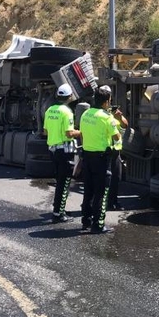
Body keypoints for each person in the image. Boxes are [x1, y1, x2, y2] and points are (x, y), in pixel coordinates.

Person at [78, 88, 121, 234]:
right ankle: (99, 224)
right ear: (106, 101)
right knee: (101, 192)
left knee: (88, 190)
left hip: (87, 155)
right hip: (102, 158)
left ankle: (86, 220)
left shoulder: (85, 114)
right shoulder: (106, 117)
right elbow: (117, 137)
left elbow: (82, 134)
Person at [43, 84, 81, 223]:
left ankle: (58, 208)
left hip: (53, 150)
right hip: (65, 151)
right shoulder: (67, 112)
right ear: (70, 96)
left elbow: (46, 131)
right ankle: (59, 213)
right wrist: (81, 132)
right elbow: (69, 133)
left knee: (59, 180)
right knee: (64, 183)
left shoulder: (49, 110)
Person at [99, 85, 128, 210]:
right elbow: (115, 135)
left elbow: (125, 125)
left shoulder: (113, 112)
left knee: (115, 178)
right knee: (103, 179)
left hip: (116, 151)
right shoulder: (100, 114)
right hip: (105, 151)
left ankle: (112, 202)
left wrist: (120, 117)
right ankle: (100, 204)